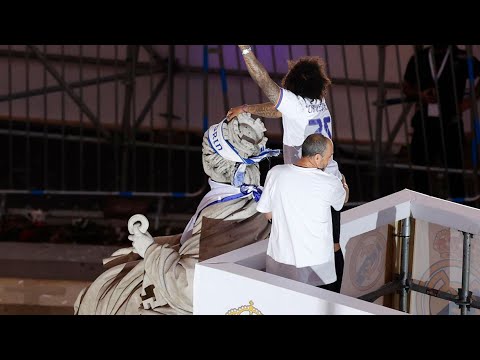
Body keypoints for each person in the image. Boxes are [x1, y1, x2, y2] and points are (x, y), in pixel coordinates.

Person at [227, 45, 346, 291]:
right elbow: (280, 110)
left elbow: (263, 80)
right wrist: (248, 108)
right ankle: (334, 293)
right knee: (332, 244)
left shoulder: (295, 104)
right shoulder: (317, 101)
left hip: (303, 183)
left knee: (293, 244)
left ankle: (293, 293)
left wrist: (246, 50)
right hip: (329, 179)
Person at [256, 134, 349, 292]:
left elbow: (268, 214)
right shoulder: (330, 182)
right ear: (318, 158)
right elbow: (343, 199)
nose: (330, 161)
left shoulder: (276, 173)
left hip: (280, 261)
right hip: (317, 268)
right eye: (329, 156)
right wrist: (344, 183)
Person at [402, 44, 480, 199]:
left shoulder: (462, 57)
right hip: (424, 123)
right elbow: (406, 87)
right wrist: (421, 95)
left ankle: (456, 210)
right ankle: (420, 208)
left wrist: (468, 102)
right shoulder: (420, 58)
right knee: (419, 170)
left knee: (455, 171)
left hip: (450, 123)